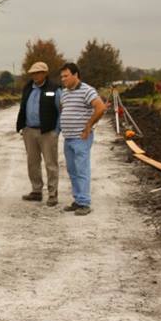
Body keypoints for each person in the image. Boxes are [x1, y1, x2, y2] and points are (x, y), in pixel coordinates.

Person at [58, 62, 107, 216]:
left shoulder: (87, 90)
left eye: (66, 76)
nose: (63, 79)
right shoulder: (64, 93)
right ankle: (78, 200)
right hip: (68, 138)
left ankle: (85, 202)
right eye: (61, 77)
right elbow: (64, 110)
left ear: (75, 75)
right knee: (72, 170)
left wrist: (88, 126)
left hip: (81, 138)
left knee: (81, 169)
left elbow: (101, 108)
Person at [16, 61, 61, 206]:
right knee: (32, 163)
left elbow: (61, 110)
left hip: (47, 132)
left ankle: (53, 194)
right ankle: (36, 191)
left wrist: (56, 131)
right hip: (30, 130)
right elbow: (23, 107)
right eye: (33, 73)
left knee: (50, 164)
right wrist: (23, 128)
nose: (35, 75)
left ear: (45, 73)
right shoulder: (28, 88)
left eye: (38, 73)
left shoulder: (54, 89)